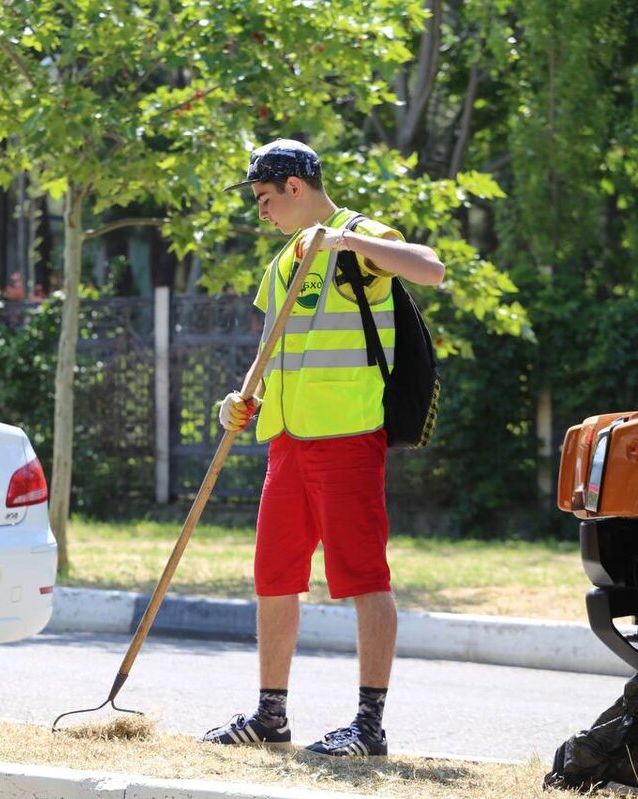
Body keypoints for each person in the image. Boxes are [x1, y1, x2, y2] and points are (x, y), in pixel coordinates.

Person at [202, 139, 445, 757]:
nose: (260, 212)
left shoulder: (355, 236)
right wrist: (239, 400)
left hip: (347, 437)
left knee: (363, 576)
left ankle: (368, 726)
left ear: (293, 186)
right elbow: (272, 353)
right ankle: (271, 715)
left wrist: (348, 243)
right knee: (274, 577)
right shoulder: (283, 261)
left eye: (263, 197)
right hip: (287, 441)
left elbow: (430, 267)